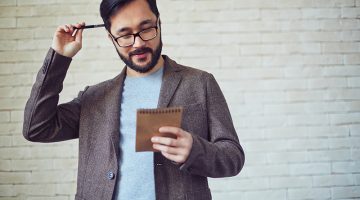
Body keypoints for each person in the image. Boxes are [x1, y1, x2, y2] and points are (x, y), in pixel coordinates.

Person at [22, 0, 245, 199]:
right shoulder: (94, 97)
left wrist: (195, 150)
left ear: (159, 24)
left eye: (146, 29)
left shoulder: (200, 83)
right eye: (125, 35)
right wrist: (58, 58)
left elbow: (233, 157)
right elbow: (36, 128)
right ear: (111, 38)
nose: (138, 43)